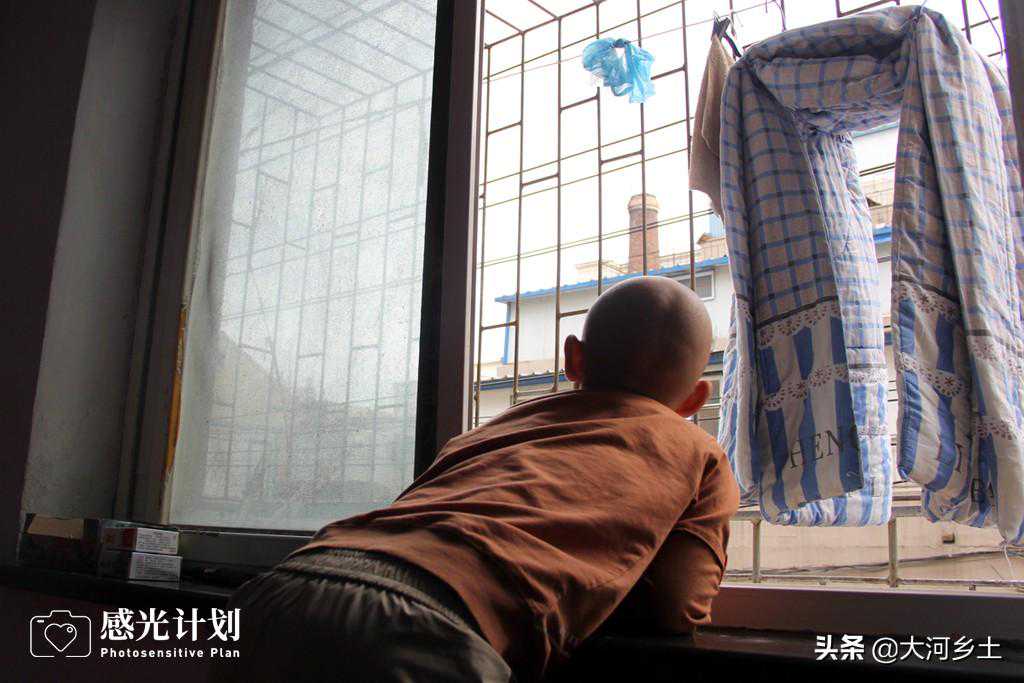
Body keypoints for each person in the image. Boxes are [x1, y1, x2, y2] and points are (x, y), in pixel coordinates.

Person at [219, 276, 740, 682]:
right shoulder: (699, 452)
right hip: (427, 628)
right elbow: (674, 607)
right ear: (696, 398)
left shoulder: (491, 431)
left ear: (572, 358)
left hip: (280, 590)